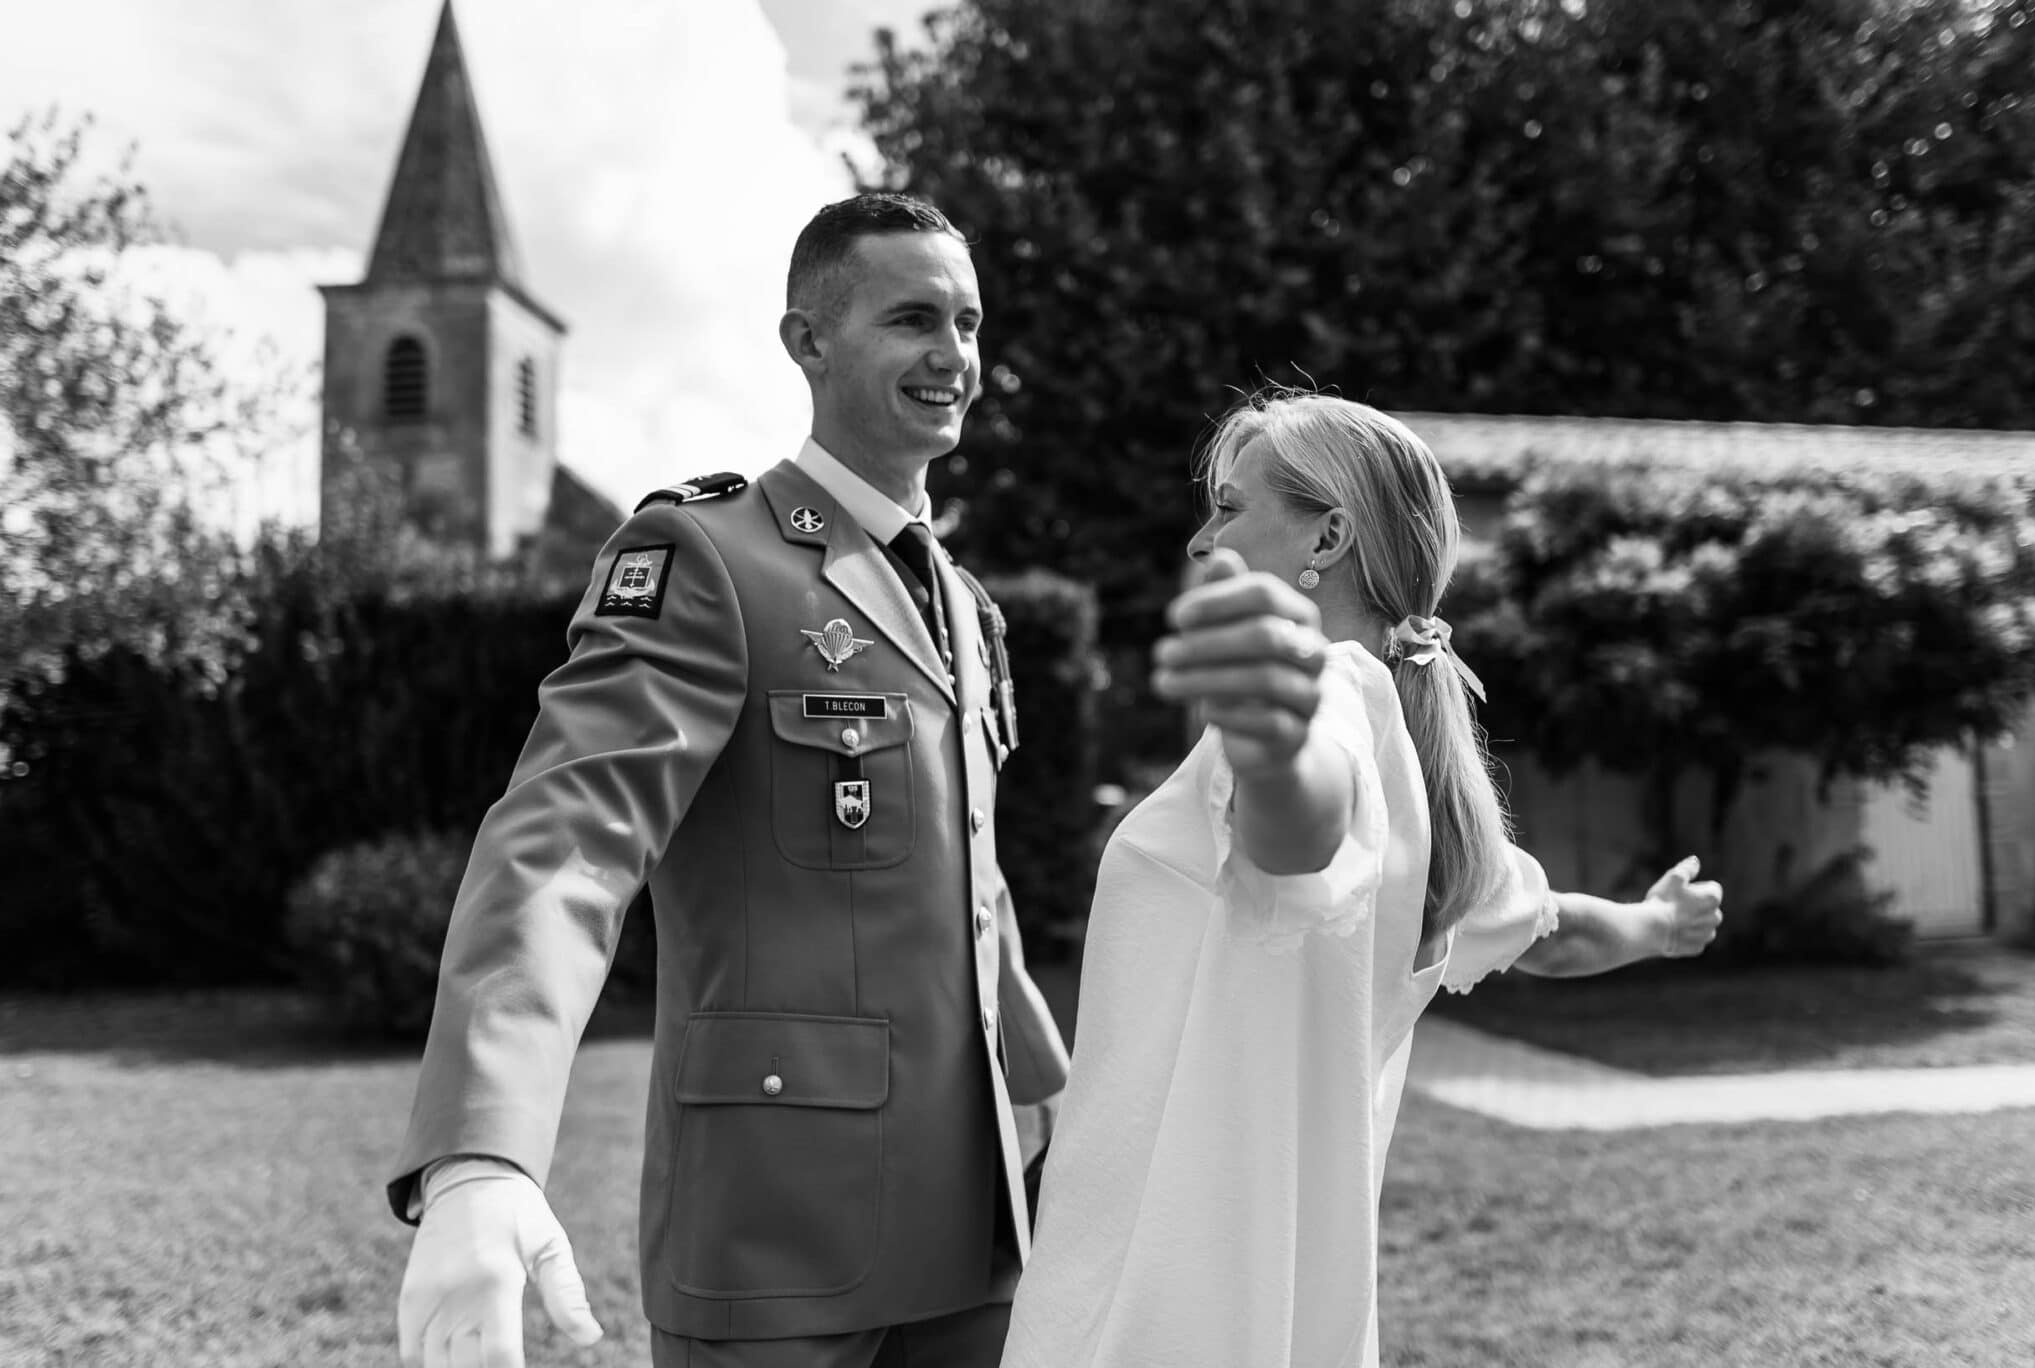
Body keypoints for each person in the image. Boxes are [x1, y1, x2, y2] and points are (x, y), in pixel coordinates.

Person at [390, 192, 1069, 1368]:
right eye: (912, 320)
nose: (953, 357)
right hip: (775, 1235)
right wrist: (481, 1149)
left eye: (966, 324)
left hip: (976, 1225)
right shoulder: (707, 557)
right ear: (807, 342)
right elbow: (567, 840)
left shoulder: (964, 606)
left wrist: (1052, 1089)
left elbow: (970, 874)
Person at [998, 390, 1722, 1368]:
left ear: (1327, 535)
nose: (1198, 535)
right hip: (1269, 1301)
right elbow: (1554, 933)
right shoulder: (1418, 766)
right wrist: (1653, 924)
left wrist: (1266, 737)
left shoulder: (1331, 696)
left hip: (1162, 1294)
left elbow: (1299, 836)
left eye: (1228, 504)